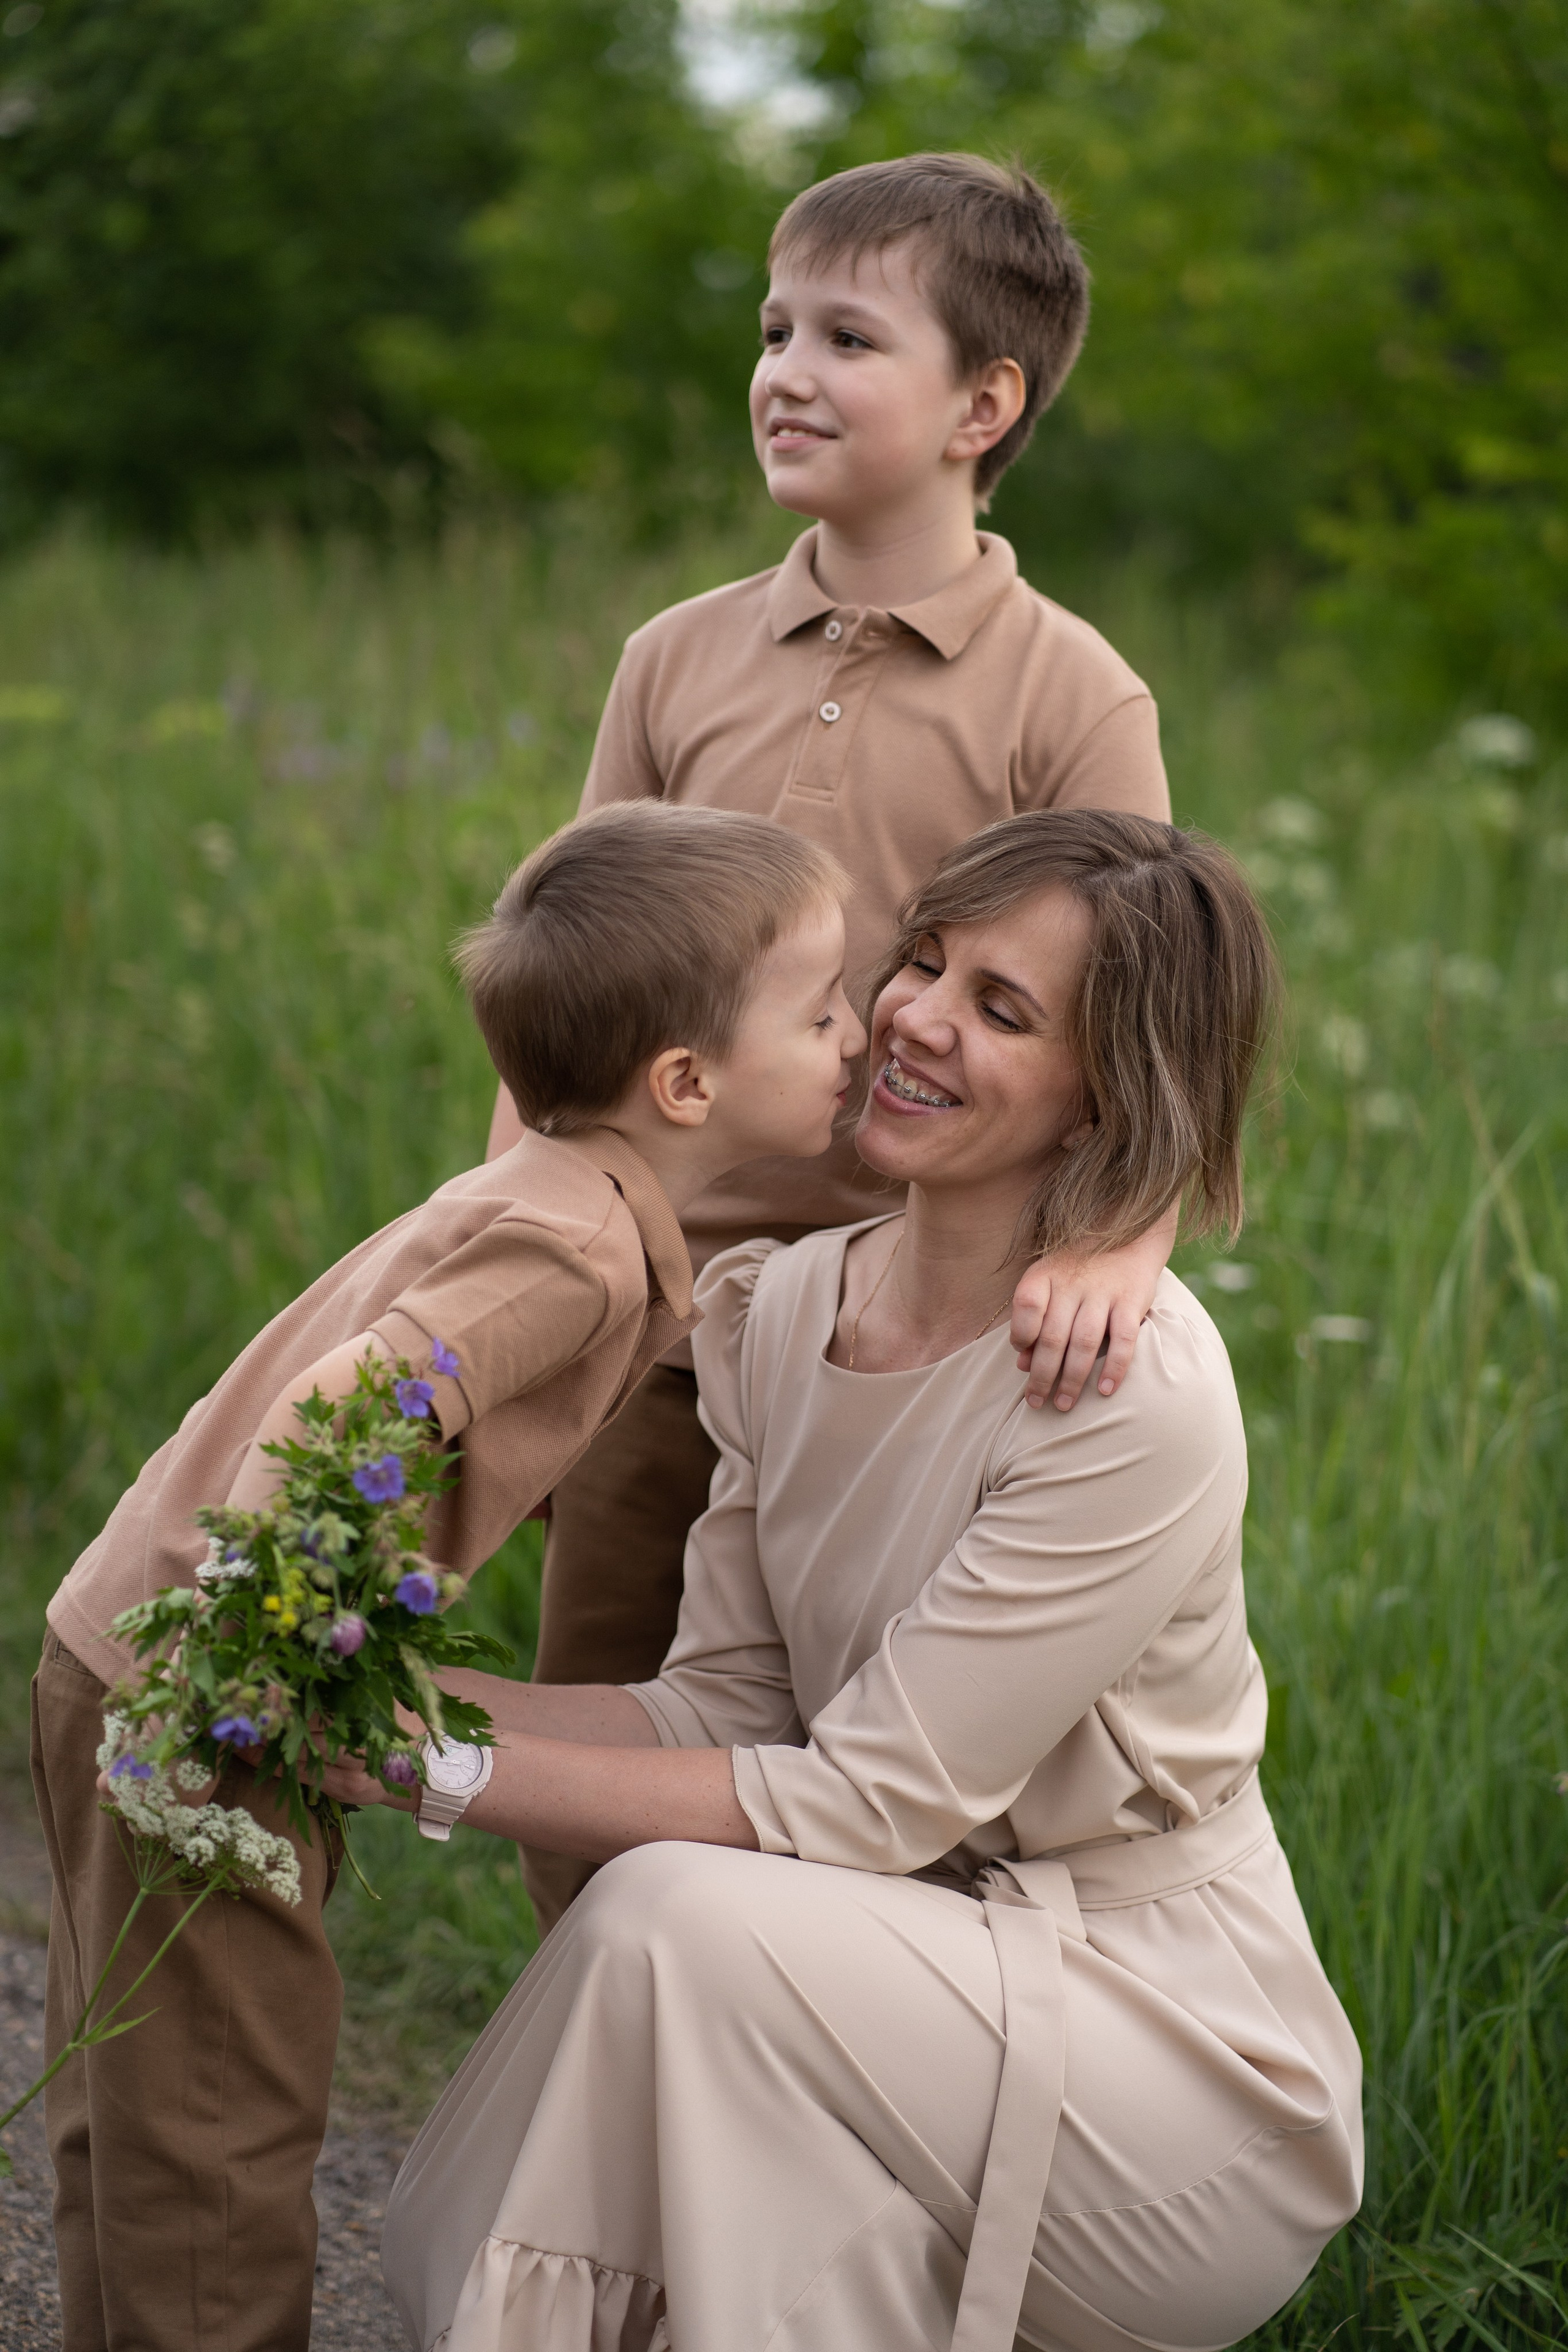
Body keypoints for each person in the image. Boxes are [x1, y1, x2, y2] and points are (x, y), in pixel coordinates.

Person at [330, 811, 1363, 2352]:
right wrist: (363, 1689)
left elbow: (862, 1807)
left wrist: (437, 1768)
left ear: (1106, 1100)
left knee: (672, 1916)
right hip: (873, 1984)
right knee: (688, 1967)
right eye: (927, 962)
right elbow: (723, 1707)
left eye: (1002, 1011)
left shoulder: (1128, 1397)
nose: (915, 1018)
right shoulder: (781, 1308)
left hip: (1164, 2066)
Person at [29, 801, 865, 2352]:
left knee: (135, 2093)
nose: (857, 1034)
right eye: (819, 1013)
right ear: (686, 1082)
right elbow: (341, 1408)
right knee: (220, 2114)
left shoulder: (567, 1196)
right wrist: (270, 1631)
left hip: (128, 1637)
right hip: (206, 1685)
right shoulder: (574, 1254)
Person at [485, 155, 1186, 1930]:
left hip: (897, 1345)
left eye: (848, 335)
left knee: (854, 1793)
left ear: (985, 403)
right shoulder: (677, 656)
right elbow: (565, 994)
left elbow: (1146, 1018)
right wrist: (519, 1249)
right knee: (603, 1757)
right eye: (774, 325)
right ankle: (594, 2126)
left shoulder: (1068, 690)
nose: (785, 366)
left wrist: (1123, 1234)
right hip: (646, 1320)